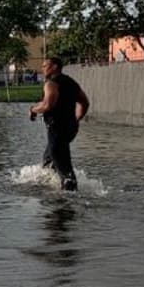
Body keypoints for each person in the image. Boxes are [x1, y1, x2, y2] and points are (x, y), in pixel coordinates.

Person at [29, 56, 89, 191]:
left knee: (66, 172)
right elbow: (85, 102)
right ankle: (50, 192)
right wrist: (77, 119)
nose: (43, 68)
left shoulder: (51, 83)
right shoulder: (71, 82)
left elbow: (48, 105)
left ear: (55, 67)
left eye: (45, 66)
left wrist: (33, 109)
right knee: (48, 162)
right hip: (69, 128)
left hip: (57, 129)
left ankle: (68, 204)